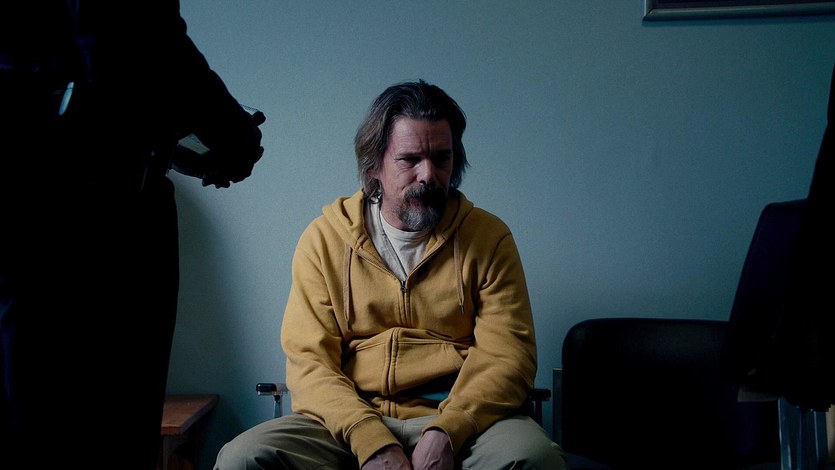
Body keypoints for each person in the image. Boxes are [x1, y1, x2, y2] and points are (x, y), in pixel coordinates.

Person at [214, 80, 564, 469]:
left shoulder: (488, 238)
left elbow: (508, 357)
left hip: (463, 418)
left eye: (442, 158)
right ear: (374, 165)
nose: (429, 174)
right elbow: (310, 362)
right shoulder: (324, 240)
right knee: (241, 459)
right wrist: (371, 440)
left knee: (537, 459)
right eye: (410, 160)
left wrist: (447, 432)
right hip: (350, 419)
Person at [0, 2, 264, 467]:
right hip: (103, 211)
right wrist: (235, 138)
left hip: (25, 201)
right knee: (112, 421)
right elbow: (153, 46)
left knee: (27, 410)